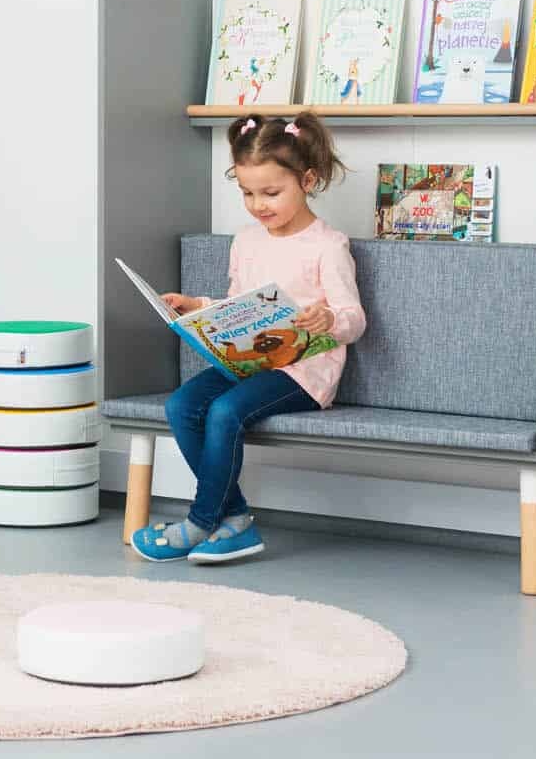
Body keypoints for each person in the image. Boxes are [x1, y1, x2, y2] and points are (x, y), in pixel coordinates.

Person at [133, 112, 366, 564]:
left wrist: (328, 320)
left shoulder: (328, 245)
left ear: (307, 180)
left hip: (303, 373)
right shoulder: (246, 241)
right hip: (249, 360)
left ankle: (200, 521)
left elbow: (355, 319)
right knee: (181, 405)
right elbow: (240, 304)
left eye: (271, 193)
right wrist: (197, 306)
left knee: (225, 412)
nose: (259, 205)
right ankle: (236, 519)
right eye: (247, 193)